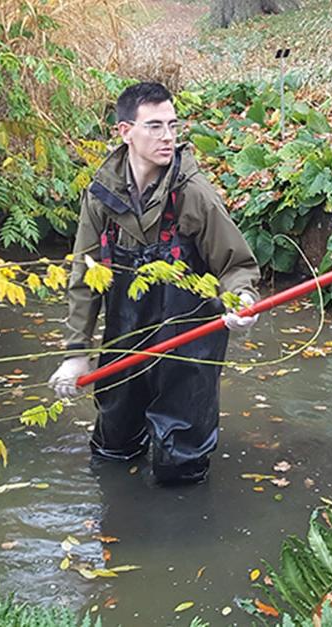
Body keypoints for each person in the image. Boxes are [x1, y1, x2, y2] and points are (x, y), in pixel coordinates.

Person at [48, 82, 260, 485]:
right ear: (125, 132)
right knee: (112, 446)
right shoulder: (100, 197)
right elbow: (84, 278)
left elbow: (236, 263)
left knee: (180, 463)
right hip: (126, 337)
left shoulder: (194, 194)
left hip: (191, 343)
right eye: (155, 126)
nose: (168, 137)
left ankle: (180, 532)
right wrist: (76, 353)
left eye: (173, 126)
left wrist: (241, 299)